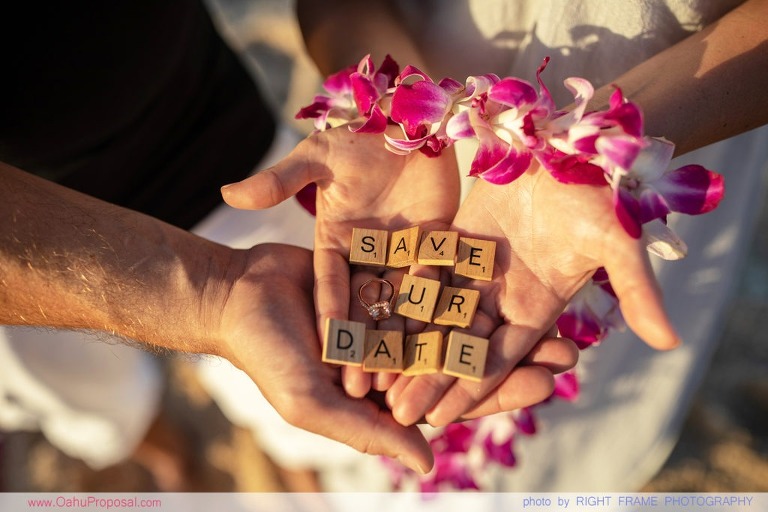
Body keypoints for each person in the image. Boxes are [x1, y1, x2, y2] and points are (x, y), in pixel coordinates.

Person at [0, 0, 577, 489]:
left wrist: (386, 112)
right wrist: (209, 297)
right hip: (31, 253)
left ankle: (274, 452)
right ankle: (142, 439)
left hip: (225, 139)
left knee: (310, 377)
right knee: (75, 388)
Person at [216, 0, 768, 491]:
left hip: (648, 148)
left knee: (561, 374)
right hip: (423, 135)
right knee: (390, 392)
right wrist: (388, 113)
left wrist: (594, 152)